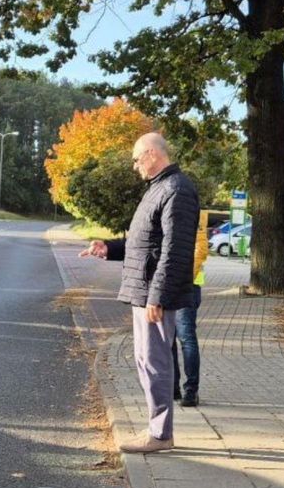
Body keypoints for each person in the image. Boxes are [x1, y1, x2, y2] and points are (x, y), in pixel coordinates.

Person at [79, 133, 200, 453]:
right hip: (144, 290)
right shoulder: (159, 188)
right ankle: (157, 430)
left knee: (155, 362)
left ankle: (160, 435)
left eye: (136, 158)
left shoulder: (177, 190)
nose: (134, 165)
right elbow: (145, 243)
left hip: (153, 294)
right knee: (147, 360)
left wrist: (157, 296)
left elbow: (175, 251)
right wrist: (109, 248)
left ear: (151, 154)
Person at [172, 209, 209, 407]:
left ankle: (191, 390)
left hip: (188, 285)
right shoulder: (168, 210)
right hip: (165, 285)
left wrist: (181, 279)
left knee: (186, 337)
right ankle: (172, 387)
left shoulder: (196, 215)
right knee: (168, 339)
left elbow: (200, 251)